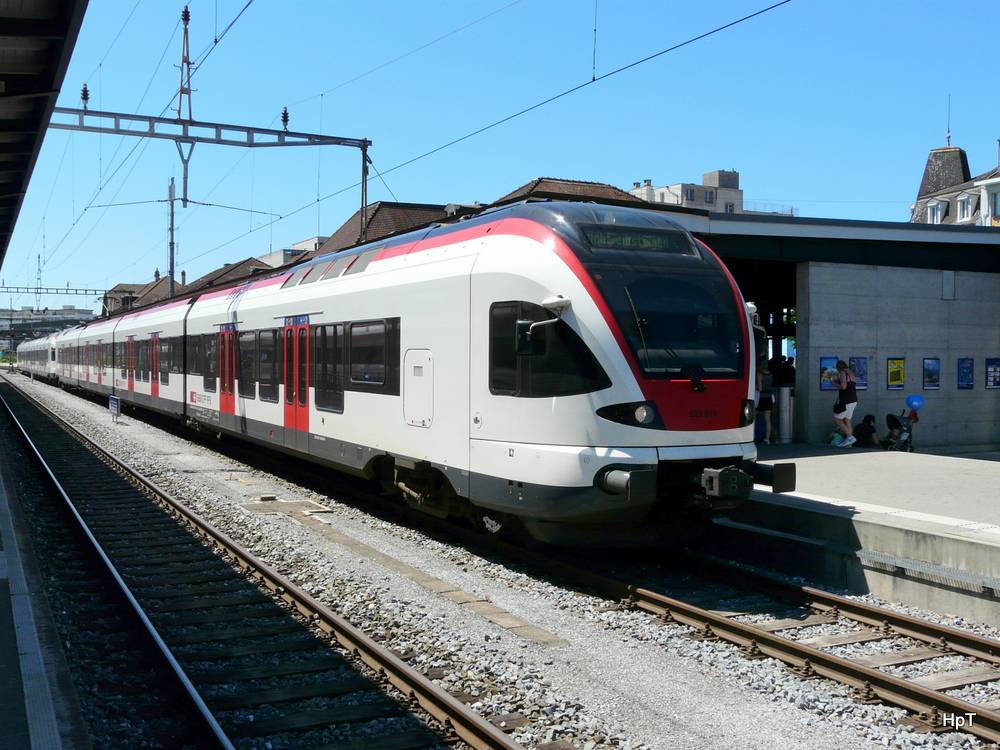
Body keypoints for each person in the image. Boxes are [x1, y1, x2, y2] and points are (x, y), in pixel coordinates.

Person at [832, 359, 858, 447]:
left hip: (846, 400)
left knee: (837, 419)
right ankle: (849, 443)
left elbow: (843, 386)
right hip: (853, 400)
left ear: (838, 368)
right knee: (847, 420)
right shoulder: (850, 373)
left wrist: (834, 384)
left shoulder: (843, 373)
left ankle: (850, 437)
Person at [756, 361, 774, 443]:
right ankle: (767, 439)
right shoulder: (770, 374)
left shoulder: (759, 374)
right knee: (767, 419)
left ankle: (751, 436)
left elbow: (760, 388)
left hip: (761, 398)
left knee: (751, 417)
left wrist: (755, 386)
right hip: (769, 397)